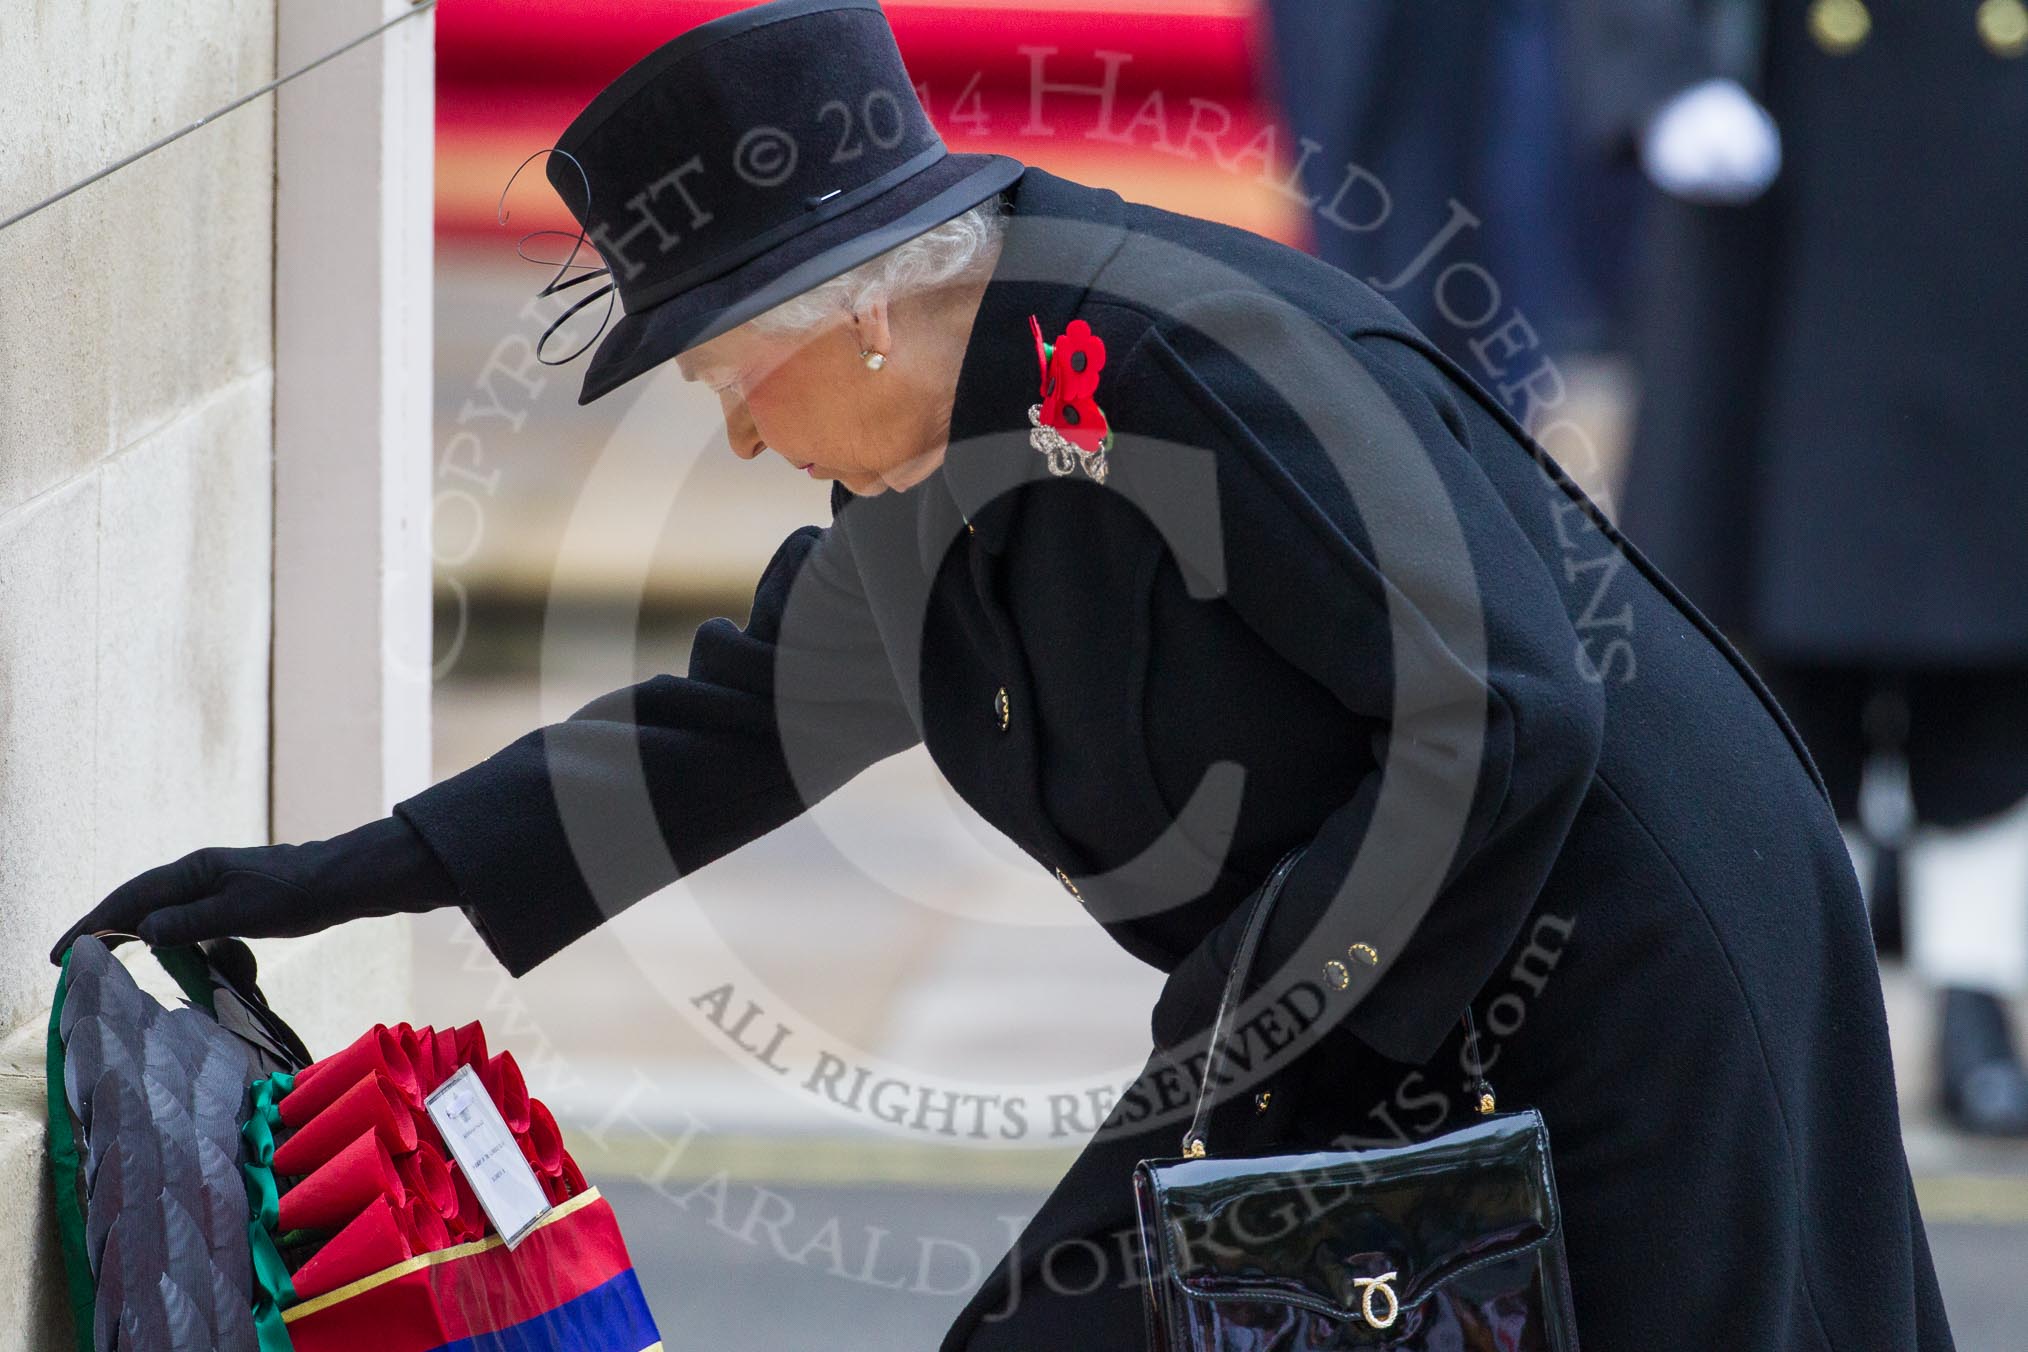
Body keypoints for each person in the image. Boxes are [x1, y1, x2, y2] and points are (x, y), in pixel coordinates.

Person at [51, 1, 1954, 1347]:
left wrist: (1227, 1075)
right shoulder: (943, 425)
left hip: (1617, 958)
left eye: (724, 379)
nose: (729, 439)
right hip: (1382, 990)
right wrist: (349, 872)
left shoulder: (1178, 357)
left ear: (860, 309)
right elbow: (746, 716)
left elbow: (1498, 711)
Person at [1562, 0, 2028, 1136]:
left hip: (1995, 151)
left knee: (1990, 629)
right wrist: (1661, 75)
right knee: (1764, 634)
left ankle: (1976, 990)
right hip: (1786, 147)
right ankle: (1802, 1003)